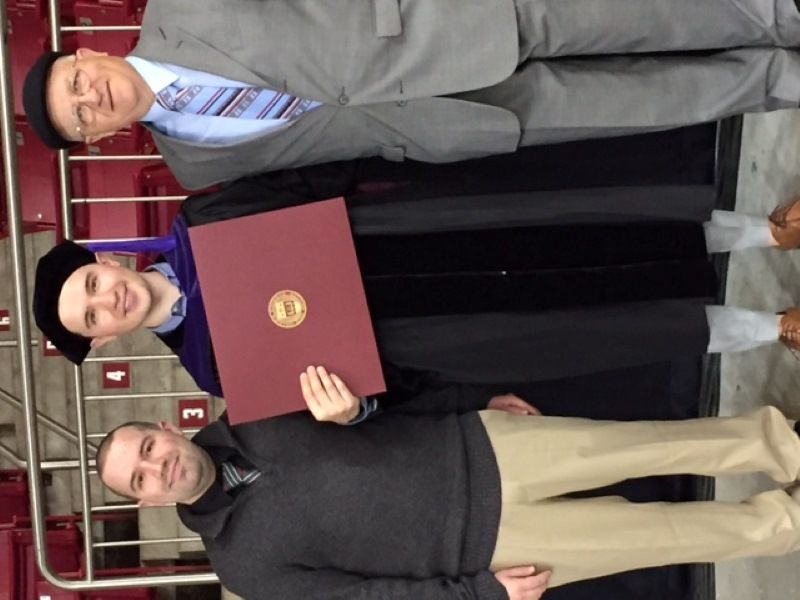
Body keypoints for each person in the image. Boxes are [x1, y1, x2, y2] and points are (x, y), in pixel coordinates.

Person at [31, 174, 800, 413]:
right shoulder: (219, 374)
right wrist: (350, 410)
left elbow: (314, 176)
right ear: (103, 342)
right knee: (610, 322)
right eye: (92, 316)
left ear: (103, 257)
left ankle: (766, 233)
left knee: (597, 228)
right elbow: (370, 401)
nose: (108, 301)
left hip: (413, 230)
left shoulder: (203, 221)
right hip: (433, 332)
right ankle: (776, 328)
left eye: (92, 284)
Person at [95, 367, 800, 599]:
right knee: (665, 537)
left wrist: (472, 400)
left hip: (484, 446)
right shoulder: (242, 565)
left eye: (148, 446)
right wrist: (481, 594)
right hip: (489, 547)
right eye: (141, 478)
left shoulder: (253, 400)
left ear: (166, 426)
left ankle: (781, 443)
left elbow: (383, 387)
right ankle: (786, 525)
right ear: (148, 502)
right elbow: (365, 599)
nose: (157, 465)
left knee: (655, 444)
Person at [21, 0, 800, 188]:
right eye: (81, 116)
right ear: (96, 139)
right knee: (651, 103)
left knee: (636, 17)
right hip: (449, 125)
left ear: (88, 49)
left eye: (76, 83)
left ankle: (776, 14)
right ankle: (780, 81)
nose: (92, 99)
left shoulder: (181, 7)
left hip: (442, 23)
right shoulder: (197, 168)